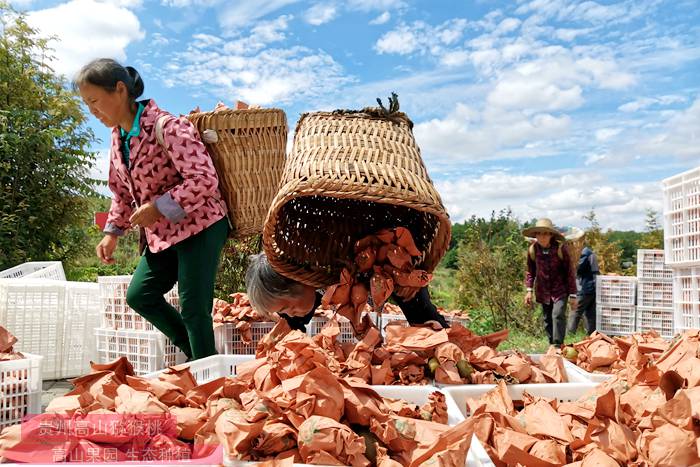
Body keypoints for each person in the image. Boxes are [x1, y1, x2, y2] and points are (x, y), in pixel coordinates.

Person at [74, 58, 229, 361]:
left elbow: (204, 179)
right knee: (140, 295)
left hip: (201, 224)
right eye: (87, 105)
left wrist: (158, 207)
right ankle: (202, 355)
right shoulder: (118, 138)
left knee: (194, 307)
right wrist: (112, 233)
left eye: (94, 101)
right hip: (164, 234)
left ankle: (211, 380)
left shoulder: (167, 126)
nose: (92, 112)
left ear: (119, 90)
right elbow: (120, 192)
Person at [245, 252, 448, 332]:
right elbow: (292, 326)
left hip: (393, 268)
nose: (288, 313)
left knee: (424, 317)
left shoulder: (326, 265)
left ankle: (450, 352)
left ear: (298, 280)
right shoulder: (305, 292)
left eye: (287, 307)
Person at [523, 218, 577, 346]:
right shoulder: (533, 250)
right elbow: (531, 271)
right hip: (543, 291)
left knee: (557, 314)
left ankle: (558, 344)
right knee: (547, 319)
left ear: (551, 235)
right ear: (535, 235)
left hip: (560, 290)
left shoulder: (560, 249)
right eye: (539, 233)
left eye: (546, 233)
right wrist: (529, 291)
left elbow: (569, 272)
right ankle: (552, 344)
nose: (542, 237)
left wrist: (573, 295)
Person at [567, 245, 599, 335]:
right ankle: (591, 337)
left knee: (575, 312)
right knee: (590, 314)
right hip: (592, 287)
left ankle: (570, 335)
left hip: (583, 288)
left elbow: (575, 268)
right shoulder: (589, 252)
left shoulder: (584, 253)